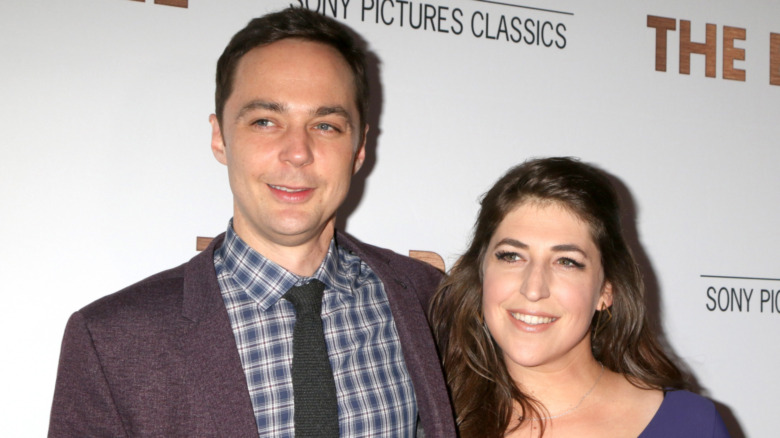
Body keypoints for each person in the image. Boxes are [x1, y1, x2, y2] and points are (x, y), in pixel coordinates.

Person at [48, 7, 455, 437]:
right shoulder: (113, 342)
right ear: (220, 137)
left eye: (326, 125)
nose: (297, 151)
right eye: (265, 121)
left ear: (358, 149)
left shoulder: (429, 301)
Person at [429, 157, 730, 437]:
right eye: (512, 256)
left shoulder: (690, 425)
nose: (533, 288)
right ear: (481, 275)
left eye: (567, 262)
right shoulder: (431, 418)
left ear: (605, 290)